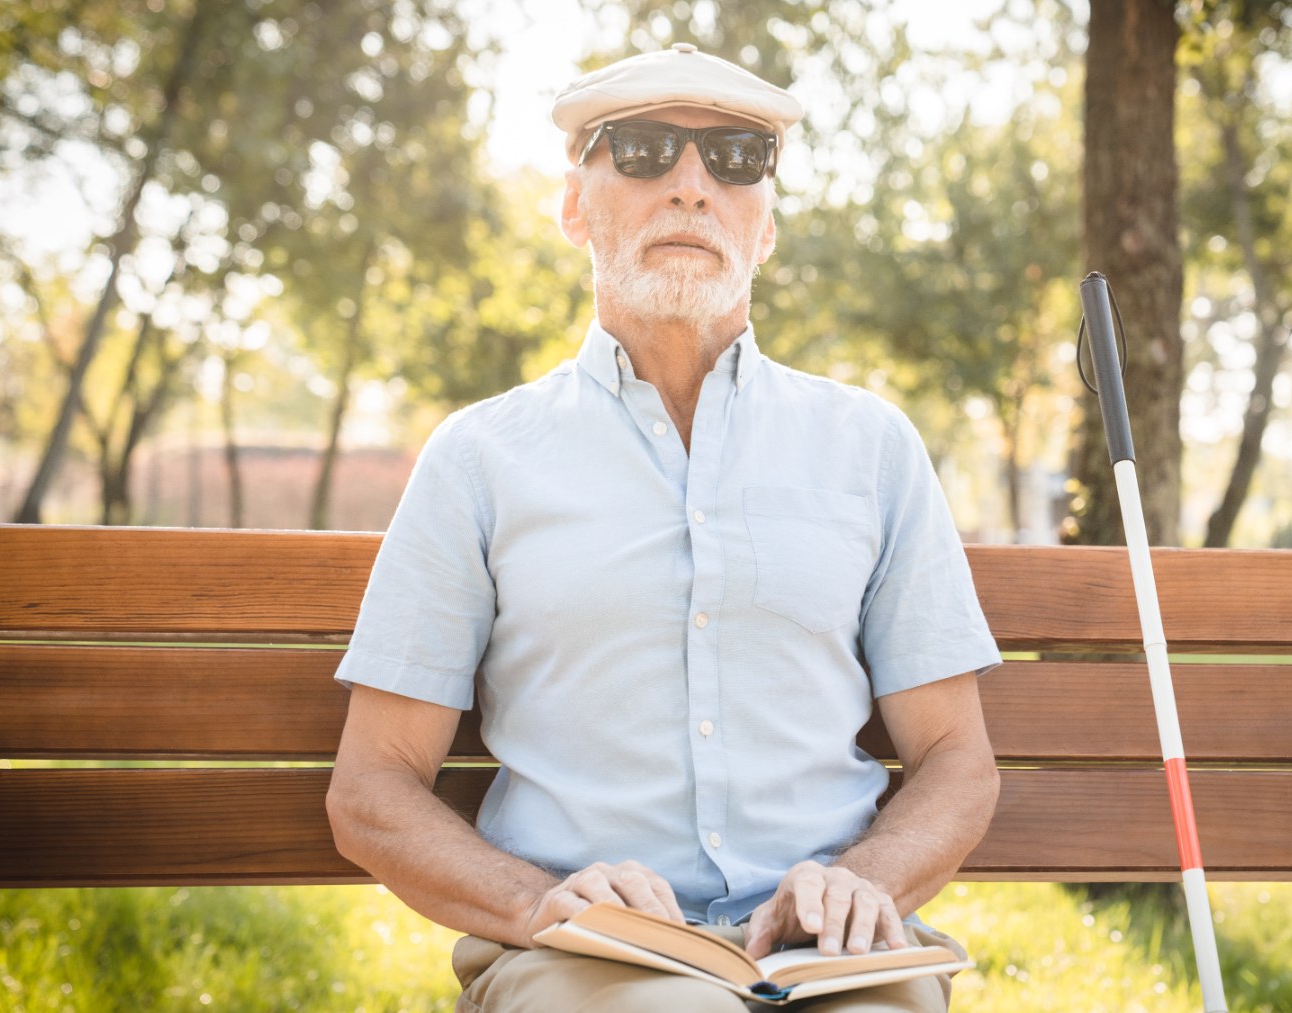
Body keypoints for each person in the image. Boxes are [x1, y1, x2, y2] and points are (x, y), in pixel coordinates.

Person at [325, 43, 1002, 1013]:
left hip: (830, 951)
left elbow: (956, 760)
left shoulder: (871, 448)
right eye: (642, 150)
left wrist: (870, 878)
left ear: (765, 225)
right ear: (573, 207)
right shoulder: (480, 457)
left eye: (735, 158)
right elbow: (371, 790)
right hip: (585, 954)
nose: (692, 186)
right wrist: (542, 901)